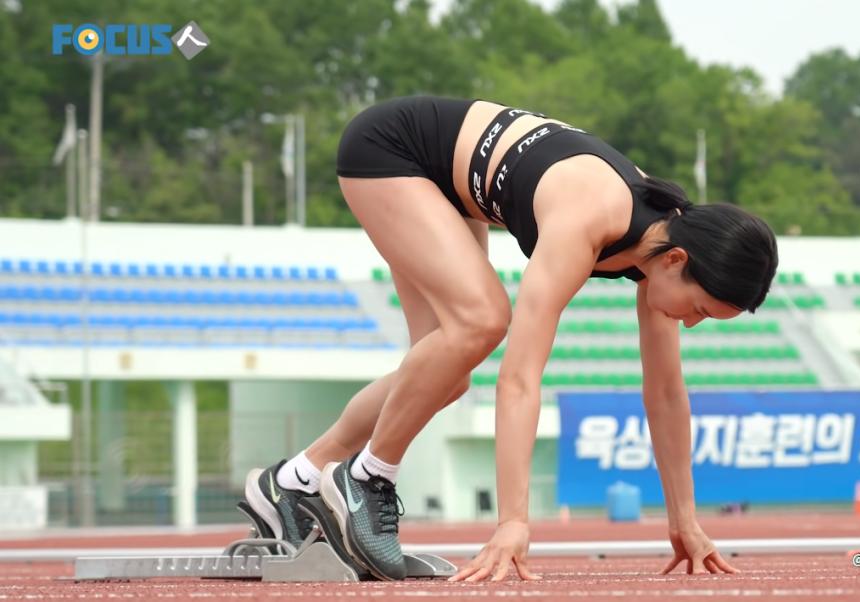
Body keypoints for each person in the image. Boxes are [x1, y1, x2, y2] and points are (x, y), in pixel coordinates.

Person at [244, 95, 777, 582]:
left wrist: (683, 521)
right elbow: (519, 379)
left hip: (447, 186)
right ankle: (368, 479)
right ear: (678, 262)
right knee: (480, 320)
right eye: (701, 310)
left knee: (442, 375)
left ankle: (296, 480)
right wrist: (513, 522)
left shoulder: (665, 247)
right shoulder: (591, 220)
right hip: (393, 151)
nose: (691, 324)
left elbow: (665, 394)